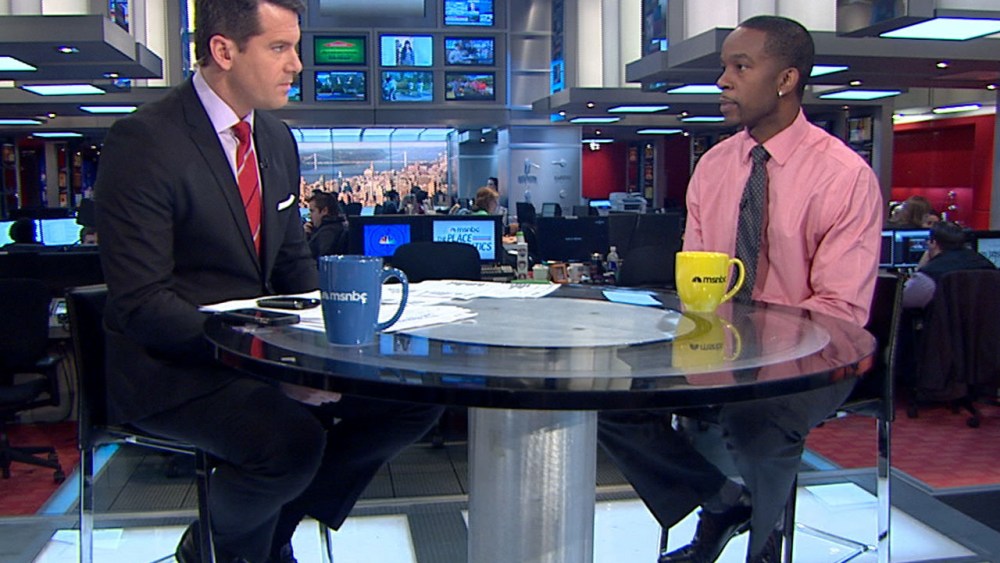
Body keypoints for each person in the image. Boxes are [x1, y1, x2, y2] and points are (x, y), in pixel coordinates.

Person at [94, 2, 441, 562]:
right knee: (289, 443)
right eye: (279, 48)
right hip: (175, 367)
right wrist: (272, 367)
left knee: (412, 400)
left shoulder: (275, 139)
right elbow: (143, 304)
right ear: (224, 51)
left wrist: (329, 353)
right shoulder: (145, 141)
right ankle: (231, 549)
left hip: (262, 355)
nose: (297, 64)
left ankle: (252, 538)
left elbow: (292, 265)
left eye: (295, 48)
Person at [598, 15, 882, 563]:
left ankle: (761, 547)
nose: (722, 81)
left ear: (786, 79)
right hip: (721, 346)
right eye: (724, 67)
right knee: (610, 396)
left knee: (757, 413)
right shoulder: (713, 167)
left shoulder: (843, 176)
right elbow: (699, 282)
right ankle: (722, 499)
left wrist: (758, 351)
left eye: (740, 67)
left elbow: (839, 311)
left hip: (815, 357)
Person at [902, 221, 995, 309]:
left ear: (933, 243)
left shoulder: (929, 274)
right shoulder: (986, 264)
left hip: (941, 321)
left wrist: (920, 268)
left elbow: (901, 301)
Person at [306, 190, 348, 257]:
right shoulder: (338, 227)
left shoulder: (327, 233)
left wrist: (305, 236)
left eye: (312, 211)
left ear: (324, 210)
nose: (310, 216)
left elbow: (309, 257)